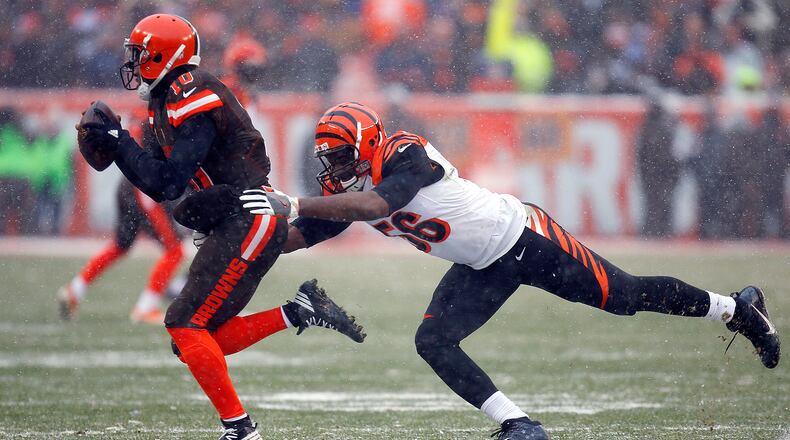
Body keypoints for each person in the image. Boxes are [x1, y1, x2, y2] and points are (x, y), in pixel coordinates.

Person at [240, 102, 781, 440]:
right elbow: (296, 238)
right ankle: (518, 424)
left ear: (364, 148)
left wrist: (295, 202)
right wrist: (245, 238)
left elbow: (377, 207)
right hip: (481, 265)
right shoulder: (352, 193)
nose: (330, 170)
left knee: (625, 296)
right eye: (325, 158)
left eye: (338, 157)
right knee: (433, 340)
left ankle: (736, 308)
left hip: (524, 238)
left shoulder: (404, 153)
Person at [79, 15, 365, 439]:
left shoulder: (193, 91)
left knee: (183, 322)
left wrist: (120, 141)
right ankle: (298, 311)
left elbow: (173, 180)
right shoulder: (164, 103)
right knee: (197, 337)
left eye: (140, 55)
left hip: (248, 216)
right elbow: (159, 183)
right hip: (238, 220)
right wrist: (122, 143)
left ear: (163, 55)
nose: (134, 64)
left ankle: (242, 430)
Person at [56, 179, 186, 324]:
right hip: (145, 187)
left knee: (120, 246)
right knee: (175, 250)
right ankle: (146, 308)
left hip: (131, 183)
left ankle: (75, 289)